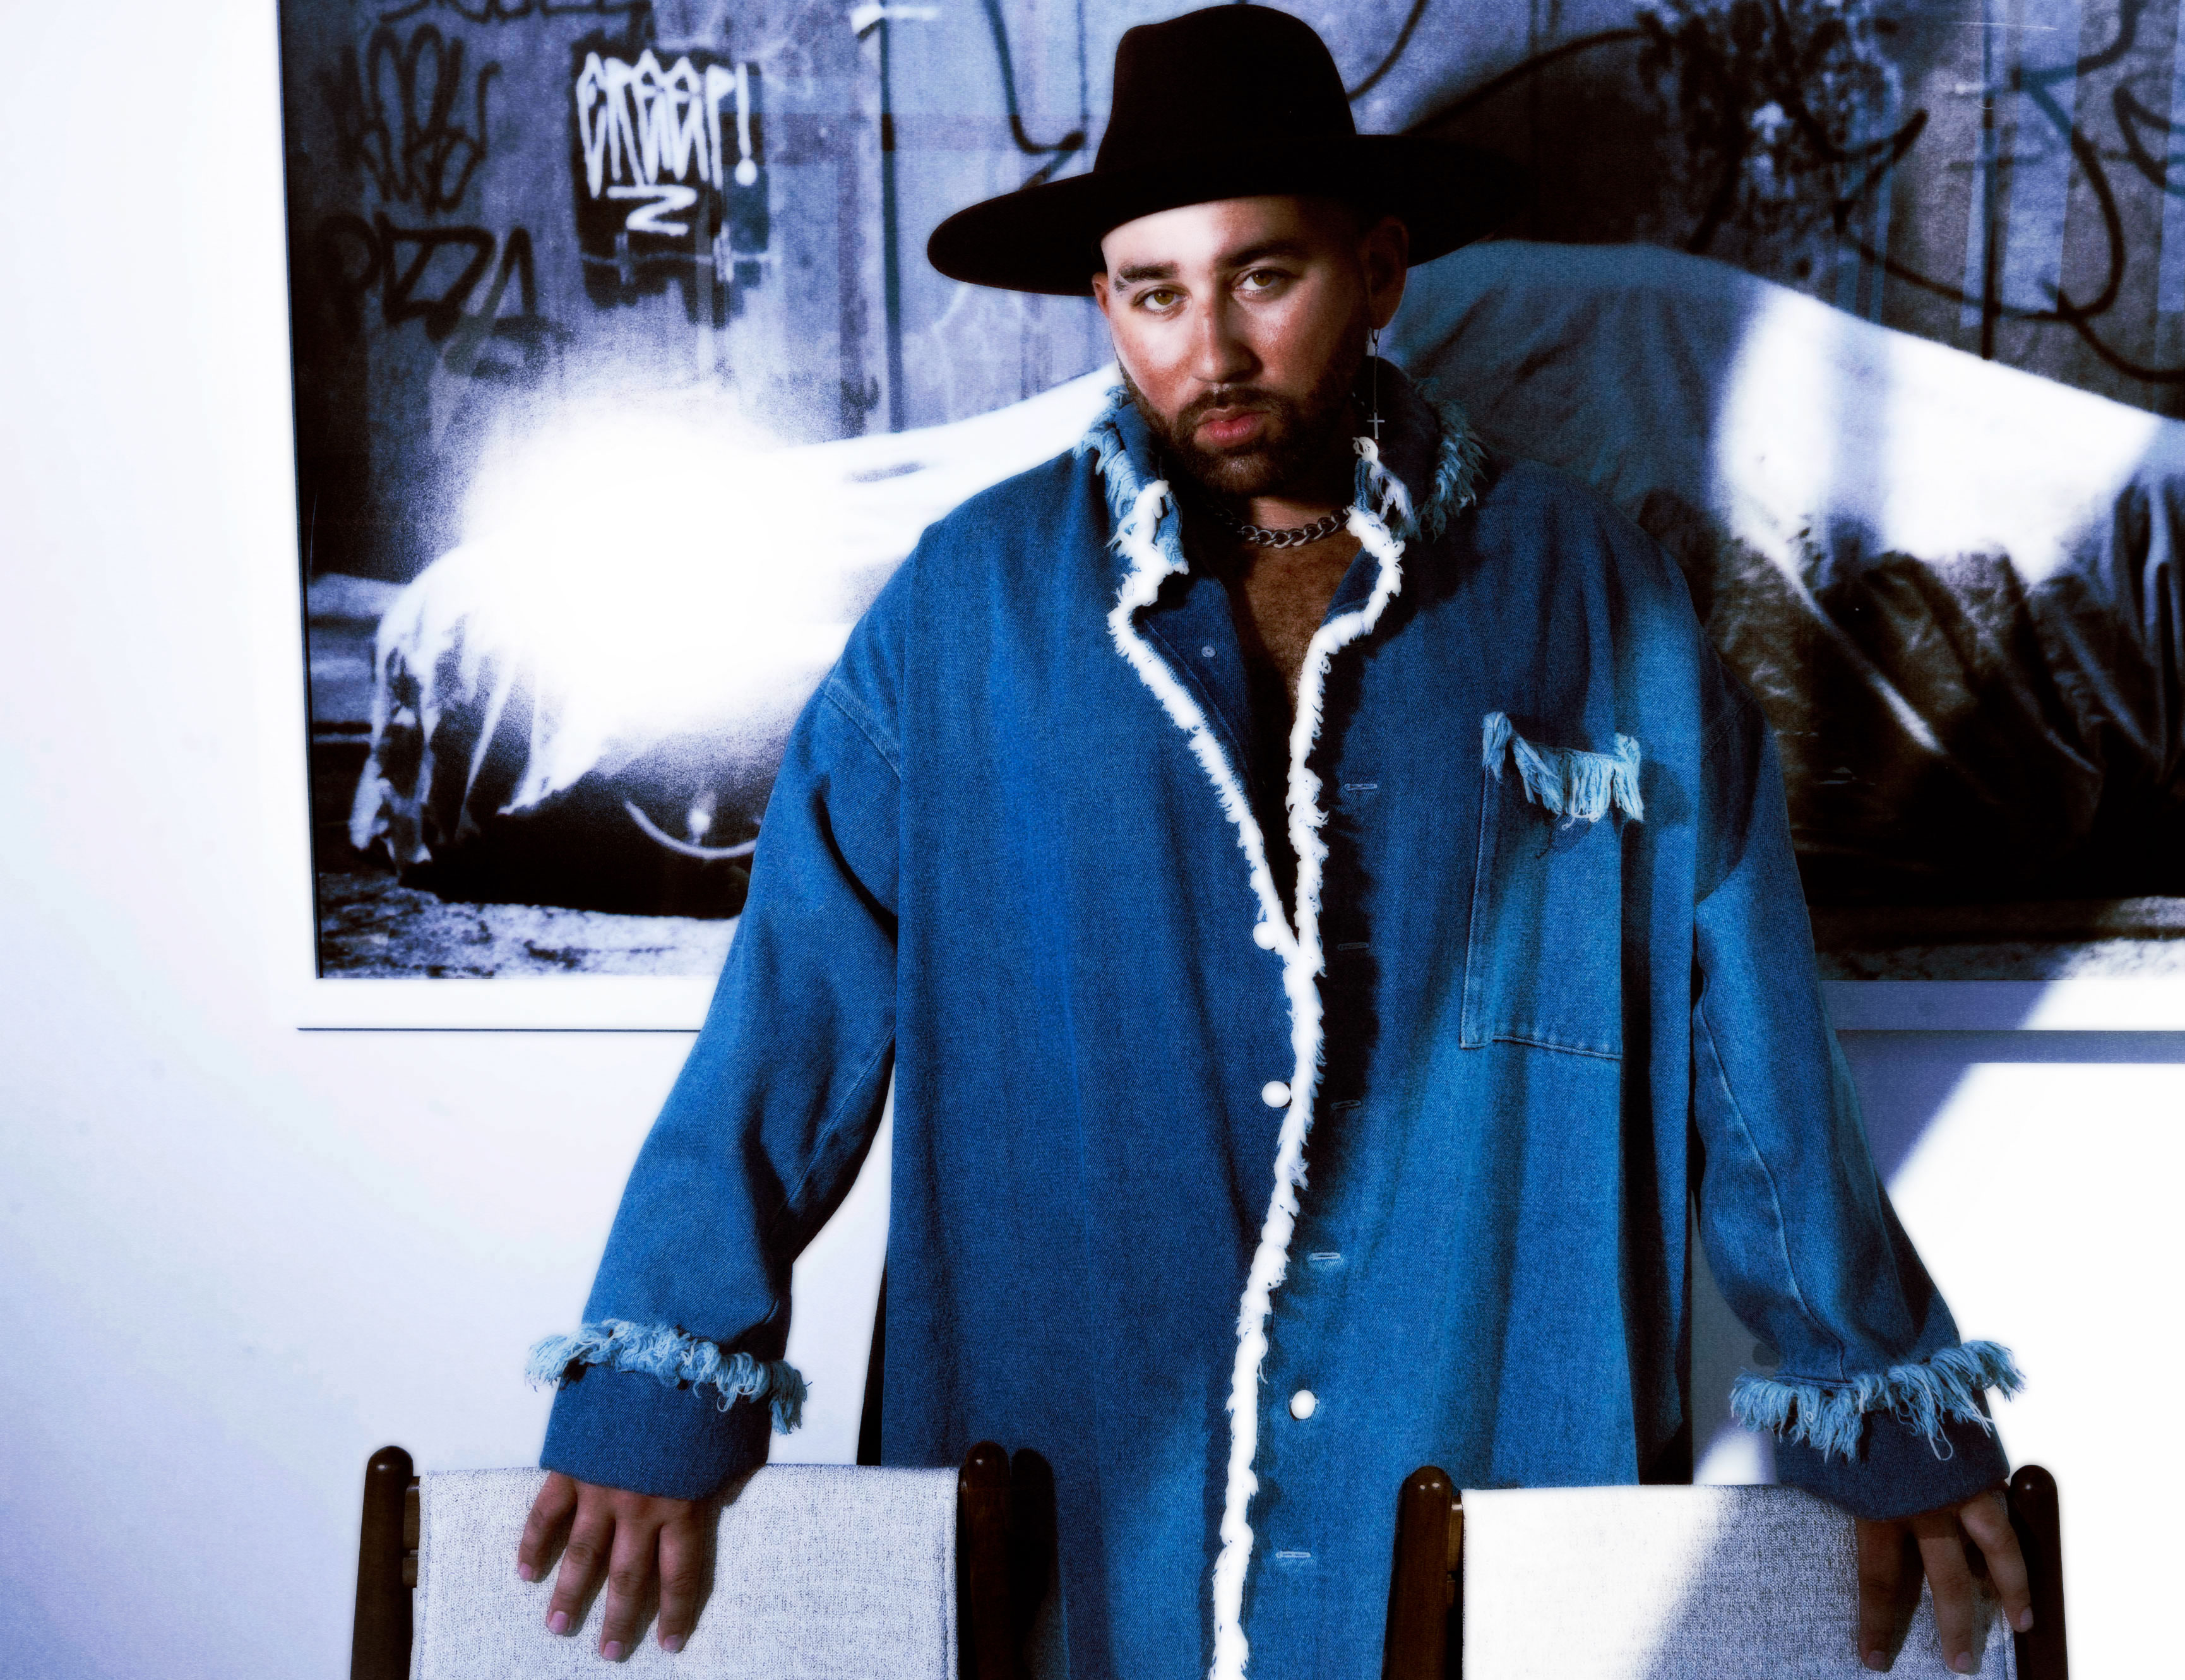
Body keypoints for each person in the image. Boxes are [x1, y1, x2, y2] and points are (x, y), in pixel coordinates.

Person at [515, 8, 2032, 1676]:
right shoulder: (966, 612)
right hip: (1081, 1481)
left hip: (1474, 1463)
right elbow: (789, 1021)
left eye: (1263, 277)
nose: (1212, 351)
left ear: (1378, 275)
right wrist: (659, 1380)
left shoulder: (1594, 598)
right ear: (1106, 305)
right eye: (1155, 293)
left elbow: (1745, 1036)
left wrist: (1882, 1395)